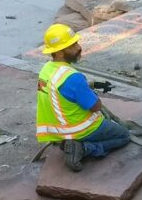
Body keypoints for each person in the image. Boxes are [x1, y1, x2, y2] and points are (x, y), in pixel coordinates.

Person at [36, 23, 129, 171]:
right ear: (59, 52)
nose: (79, 47)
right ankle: (84, 148)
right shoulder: (73, 78)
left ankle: (67, 143)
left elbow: (63, 92)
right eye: (72, 45)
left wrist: (89, 85)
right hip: (80, 129)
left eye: (76, 42)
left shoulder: (46, 70)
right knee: (123, 136)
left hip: (57, 129)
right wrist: (90, 92)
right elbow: (96, 106)